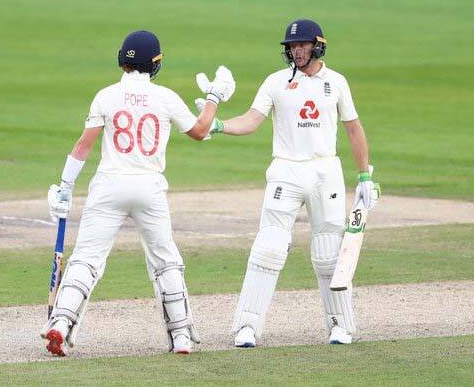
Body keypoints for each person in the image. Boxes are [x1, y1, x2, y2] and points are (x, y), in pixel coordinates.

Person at [41, 30, 235, 356]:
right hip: (149, 187)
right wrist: (214, 98)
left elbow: (82, 146)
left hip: (109, 185)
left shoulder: (105, 95)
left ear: (123, 60)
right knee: (165, 261)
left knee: (86, 259)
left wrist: (65, 187)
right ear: (155, 64)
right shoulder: (166, 97)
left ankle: (60, 324)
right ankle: (182, 337)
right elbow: (201, 131)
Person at [197, 19, 379, 347]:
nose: (295, 50)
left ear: (317, 46)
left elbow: (353, 127)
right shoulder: (276, 82)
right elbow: (252, 120)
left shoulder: (336, 82)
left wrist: (364, 175)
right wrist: (219, 125)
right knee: (268, 248)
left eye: (302, 45)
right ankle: (247, 328)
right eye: (292, 46)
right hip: (286, 170)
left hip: (326, 171)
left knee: (328, 253)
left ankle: (340, 326)